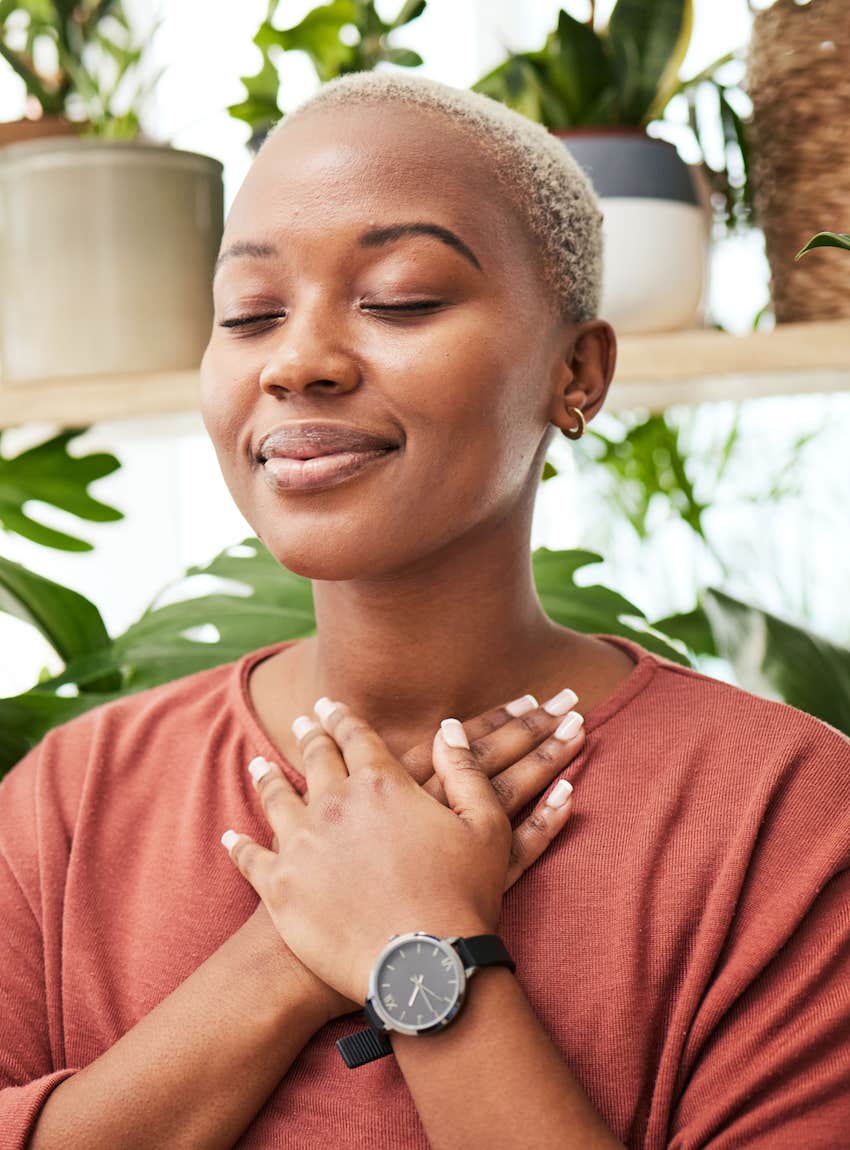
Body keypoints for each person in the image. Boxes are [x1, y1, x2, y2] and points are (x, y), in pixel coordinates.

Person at [1, 70, 849, 1150]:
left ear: (575, 372)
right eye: (249, 314)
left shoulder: (782, 818)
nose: (298, 362)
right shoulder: (71, 803)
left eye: (400, 296)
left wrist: (422, 948)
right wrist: (284, 950)